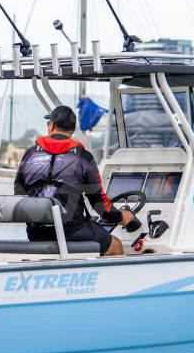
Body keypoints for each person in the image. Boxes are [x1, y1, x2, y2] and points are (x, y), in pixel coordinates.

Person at [14, 105, 134, 256]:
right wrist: (121, 216)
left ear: (51, 126)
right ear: (74, 128)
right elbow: (99, 204)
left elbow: (19, 192)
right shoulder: (84, 158)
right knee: (115, 245)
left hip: (36, 233)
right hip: (71, 231)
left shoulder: (30, 155)